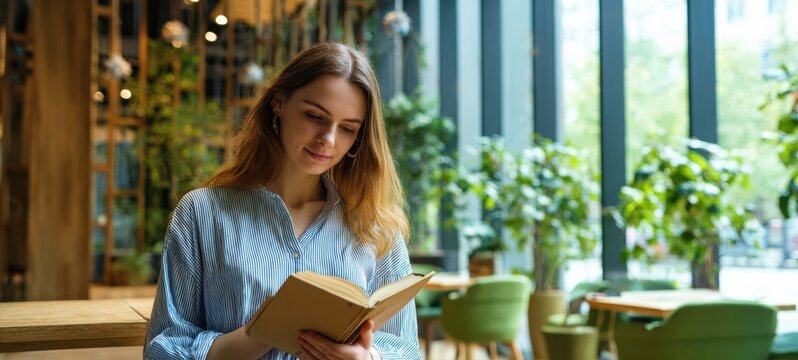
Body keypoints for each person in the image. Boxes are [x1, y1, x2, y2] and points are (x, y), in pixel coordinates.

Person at [144, 42, 420, 360]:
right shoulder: (202, 213)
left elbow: (408, 350)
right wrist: (262, 331)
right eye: (315, 116)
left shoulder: (376, 225)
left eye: (346, 128)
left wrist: (367, 358)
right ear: (279, 103)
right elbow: (162, 348)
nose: (328, 140)